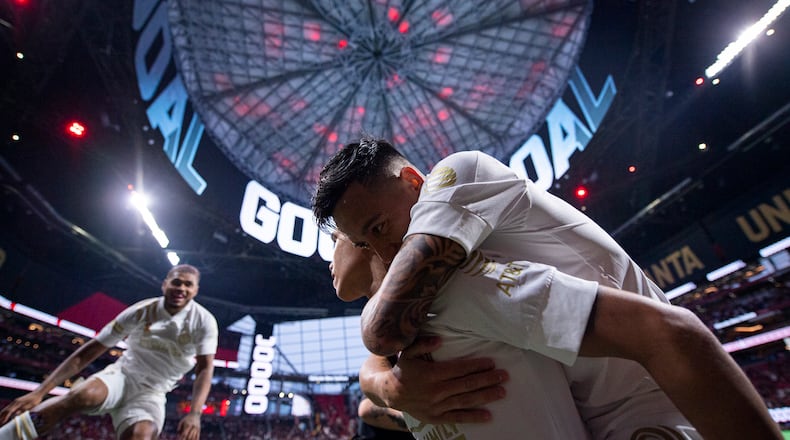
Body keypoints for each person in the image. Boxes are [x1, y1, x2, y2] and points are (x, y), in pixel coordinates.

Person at [313, 139, 782, 440]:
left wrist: (385, 383)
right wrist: (386, 387)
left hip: (658, 411)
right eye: (362, 241)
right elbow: (381, 335)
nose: (383, 249)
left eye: (378, 227)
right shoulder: (452, 287)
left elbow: (383, 328)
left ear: (413, 181)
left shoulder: (456, 176)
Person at [0, 264, 218, 440]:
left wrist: (195, 413)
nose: (181, 288)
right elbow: (89, 351)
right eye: (176, 282)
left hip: (153, 392)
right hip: (123, 375)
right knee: (83, 394)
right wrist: (39, 392)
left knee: (142, 435)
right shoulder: (140, 311)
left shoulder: (204, 322)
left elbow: (205, 369)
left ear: (196, 290)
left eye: (188, 285)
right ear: (165, 284)